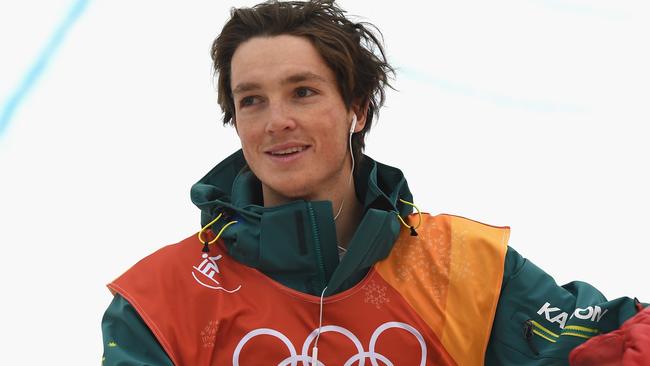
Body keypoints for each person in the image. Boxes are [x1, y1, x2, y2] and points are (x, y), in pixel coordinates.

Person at [101, 1, 648, 365]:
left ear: (357, 109)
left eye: (304, 92)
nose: (276, 121)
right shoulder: (162, 299)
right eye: (252, 100)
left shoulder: (464, 267)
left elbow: (612, 344)